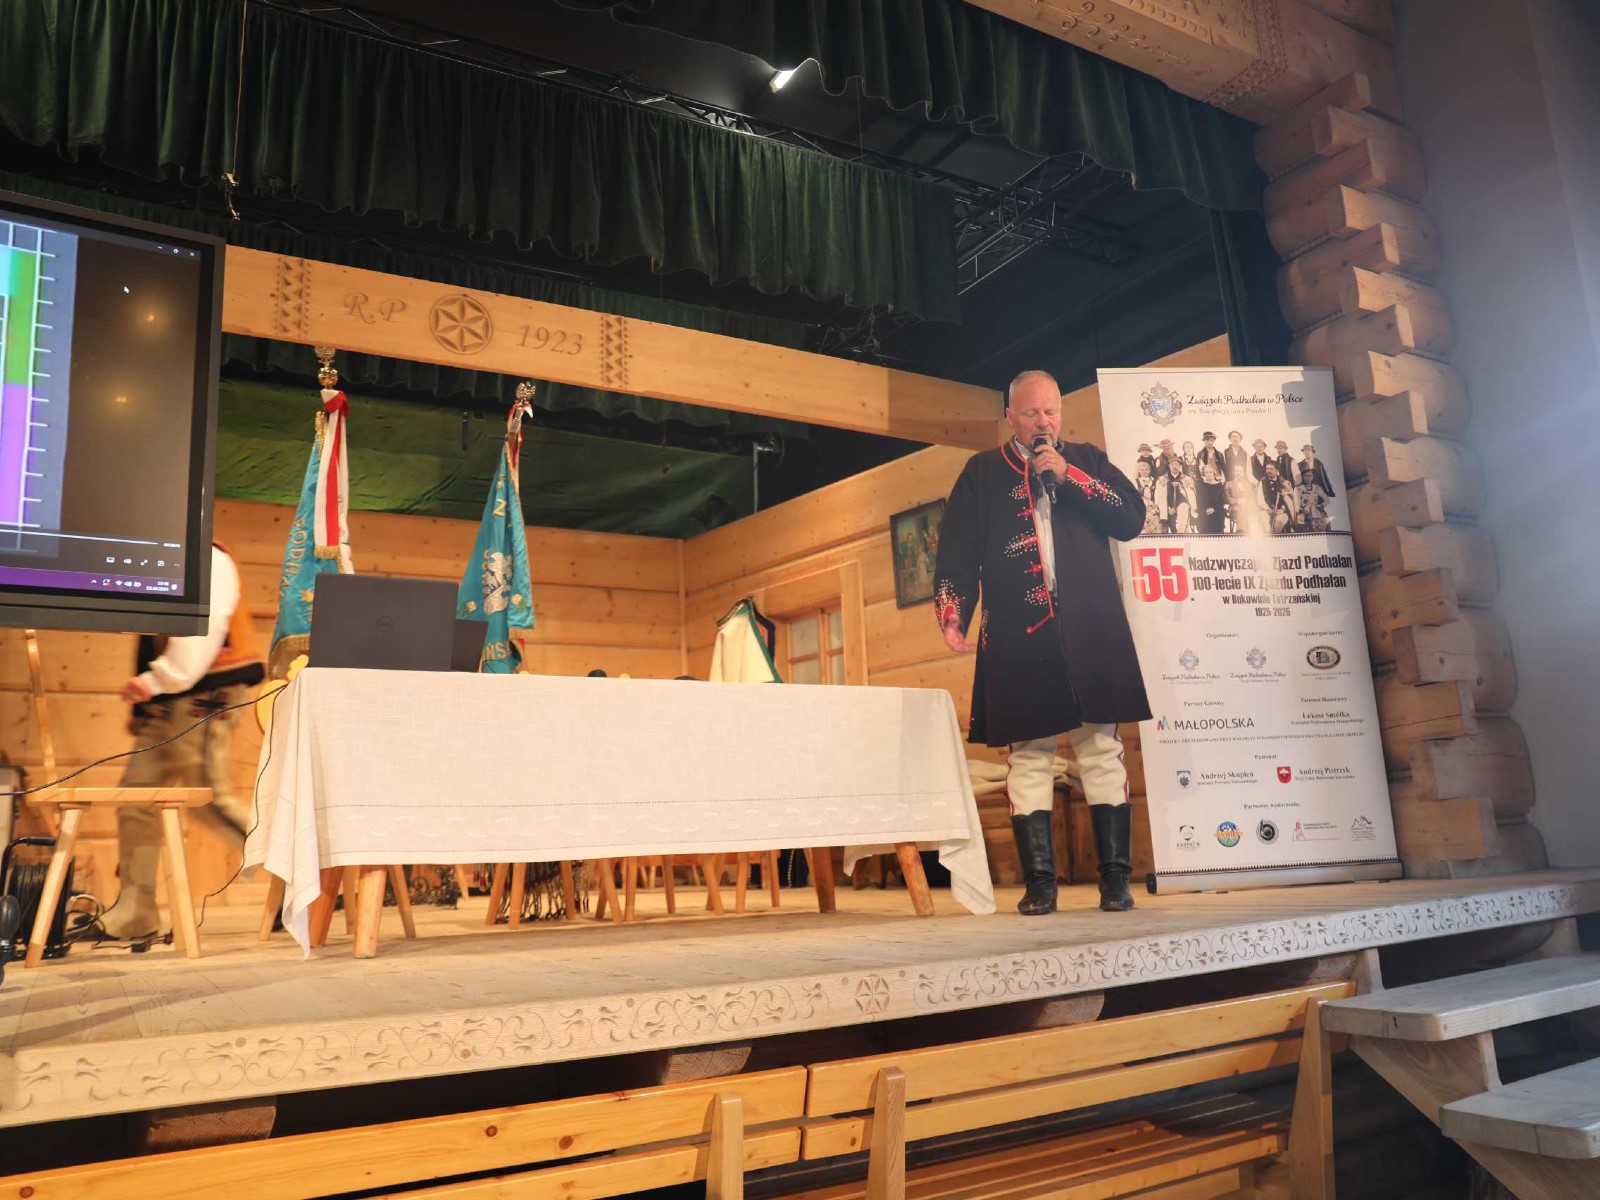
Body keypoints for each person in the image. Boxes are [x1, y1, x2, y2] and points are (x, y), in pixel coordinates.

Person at [934, 371, 1150, 916]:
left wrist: (1069, 475)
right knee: (1029, 757)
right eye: (1031, 413)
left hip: (1089, 626)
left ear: (1061, 413)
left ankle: (1115, 881)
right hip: (1016, 630)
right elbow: (956, 549)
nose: (1042, 423)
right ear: (1011, 417)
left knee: (1100, 750)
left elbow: (1131, 517)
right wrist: (953, 613)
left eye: (1050, 412)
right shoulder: (981, 472)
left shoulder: (1087, 460)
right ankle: (1040, 885)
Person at [102, 544, 265, 939]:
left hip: (203, 690)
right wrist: (147, 699)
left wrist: (159, 679)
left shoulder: (206, 556)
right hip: (166, 696)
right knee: (134, 800)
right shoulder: (161, 552)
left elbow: (203, 625)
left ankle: (298, 878)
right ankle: (135, 914)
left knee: (208, 798)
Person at [1226, 465, 1268, 537]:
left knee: (1256, 511)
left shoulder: (1248, 484)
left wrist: (1248, 502)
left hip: (1248, 507)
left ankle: (1256, 531)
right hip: (1235, 507)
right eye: (1237, 471)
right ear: (1233, 472)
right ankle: (1241, 531)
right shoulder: (1229, 484)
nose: (1238, 473)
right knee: (1243, 509)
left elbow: (1253, 497)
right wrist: (1237, 501)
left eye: (1240, 472)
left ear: (1243, 473)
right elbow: (1226, 498)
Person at [1292, 465, 1334, 532]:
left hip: (1316, 511)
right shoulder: (1298, 489)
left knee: (1324, 523)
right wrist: (1304, 512)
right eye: (1306, 476)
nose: (1308, 478)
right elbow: (1296, 506)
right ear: (1302, 476)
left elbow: (1327, 500)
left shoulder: (1316, 487)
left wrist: (1321, 505)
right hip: (1304, 512)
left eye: (1310, 476)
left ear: (1313, 477)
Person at [1157, 457, 1194, 533]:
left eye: (1177, 464)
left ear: (1180, 466)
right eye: (1172, 464)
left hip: (1182, 505)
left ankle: (1181, 533)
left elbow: (1191, 496)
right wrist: (1168, 508)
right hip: (1167, 506)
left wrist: (1181, 489)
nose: (1174, 466)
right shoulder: (1162, 479)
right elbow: (1159, 496)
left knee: (1184, 507)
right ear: (1169, 466)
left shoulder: (1186, 479)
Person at [1260, 464, 1293, 534]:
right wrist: (1268, 509)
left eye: (1271, 469)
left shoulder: (1284, 483)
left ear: (1277, 470)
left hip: (1281, 511)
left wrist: (1282, 509)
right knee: (1264, 521)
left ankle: (1274, 538)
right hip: (1266, 510)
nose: (1268, 471)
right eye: (1267, 469)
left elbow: (1289, 499)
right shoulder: (1262, 483)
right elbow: (1260, 499)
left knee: (1279, 521)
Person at [1195, 463, 1226, 534]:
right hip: (1204, 510)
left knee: (1218, 519)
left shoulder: (1220, 486)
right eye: (1206, 472)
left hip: (1217, 509)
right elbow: (1199, 500)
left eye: (1210, 472)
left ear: (1214, 473)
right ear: (1204, 474)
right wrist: (1206, 509)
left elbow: (1221, 501)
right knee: (1204, 523)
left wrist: (1213, 509)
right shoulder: (1201, 486)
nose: (1209, 474)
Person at [1135, 460, 1162, 534]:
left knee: (1154, 516)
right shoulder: (1136, 481)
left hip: (1152, 506)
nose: (1144, 471)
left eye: (1146, 469)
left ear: (1150, 470)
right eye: (1142, 470)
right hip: (1141, 506)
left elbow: (1157, 495)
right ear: (1139, 471)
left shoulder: (1155, 481)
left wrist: (1156, 506)